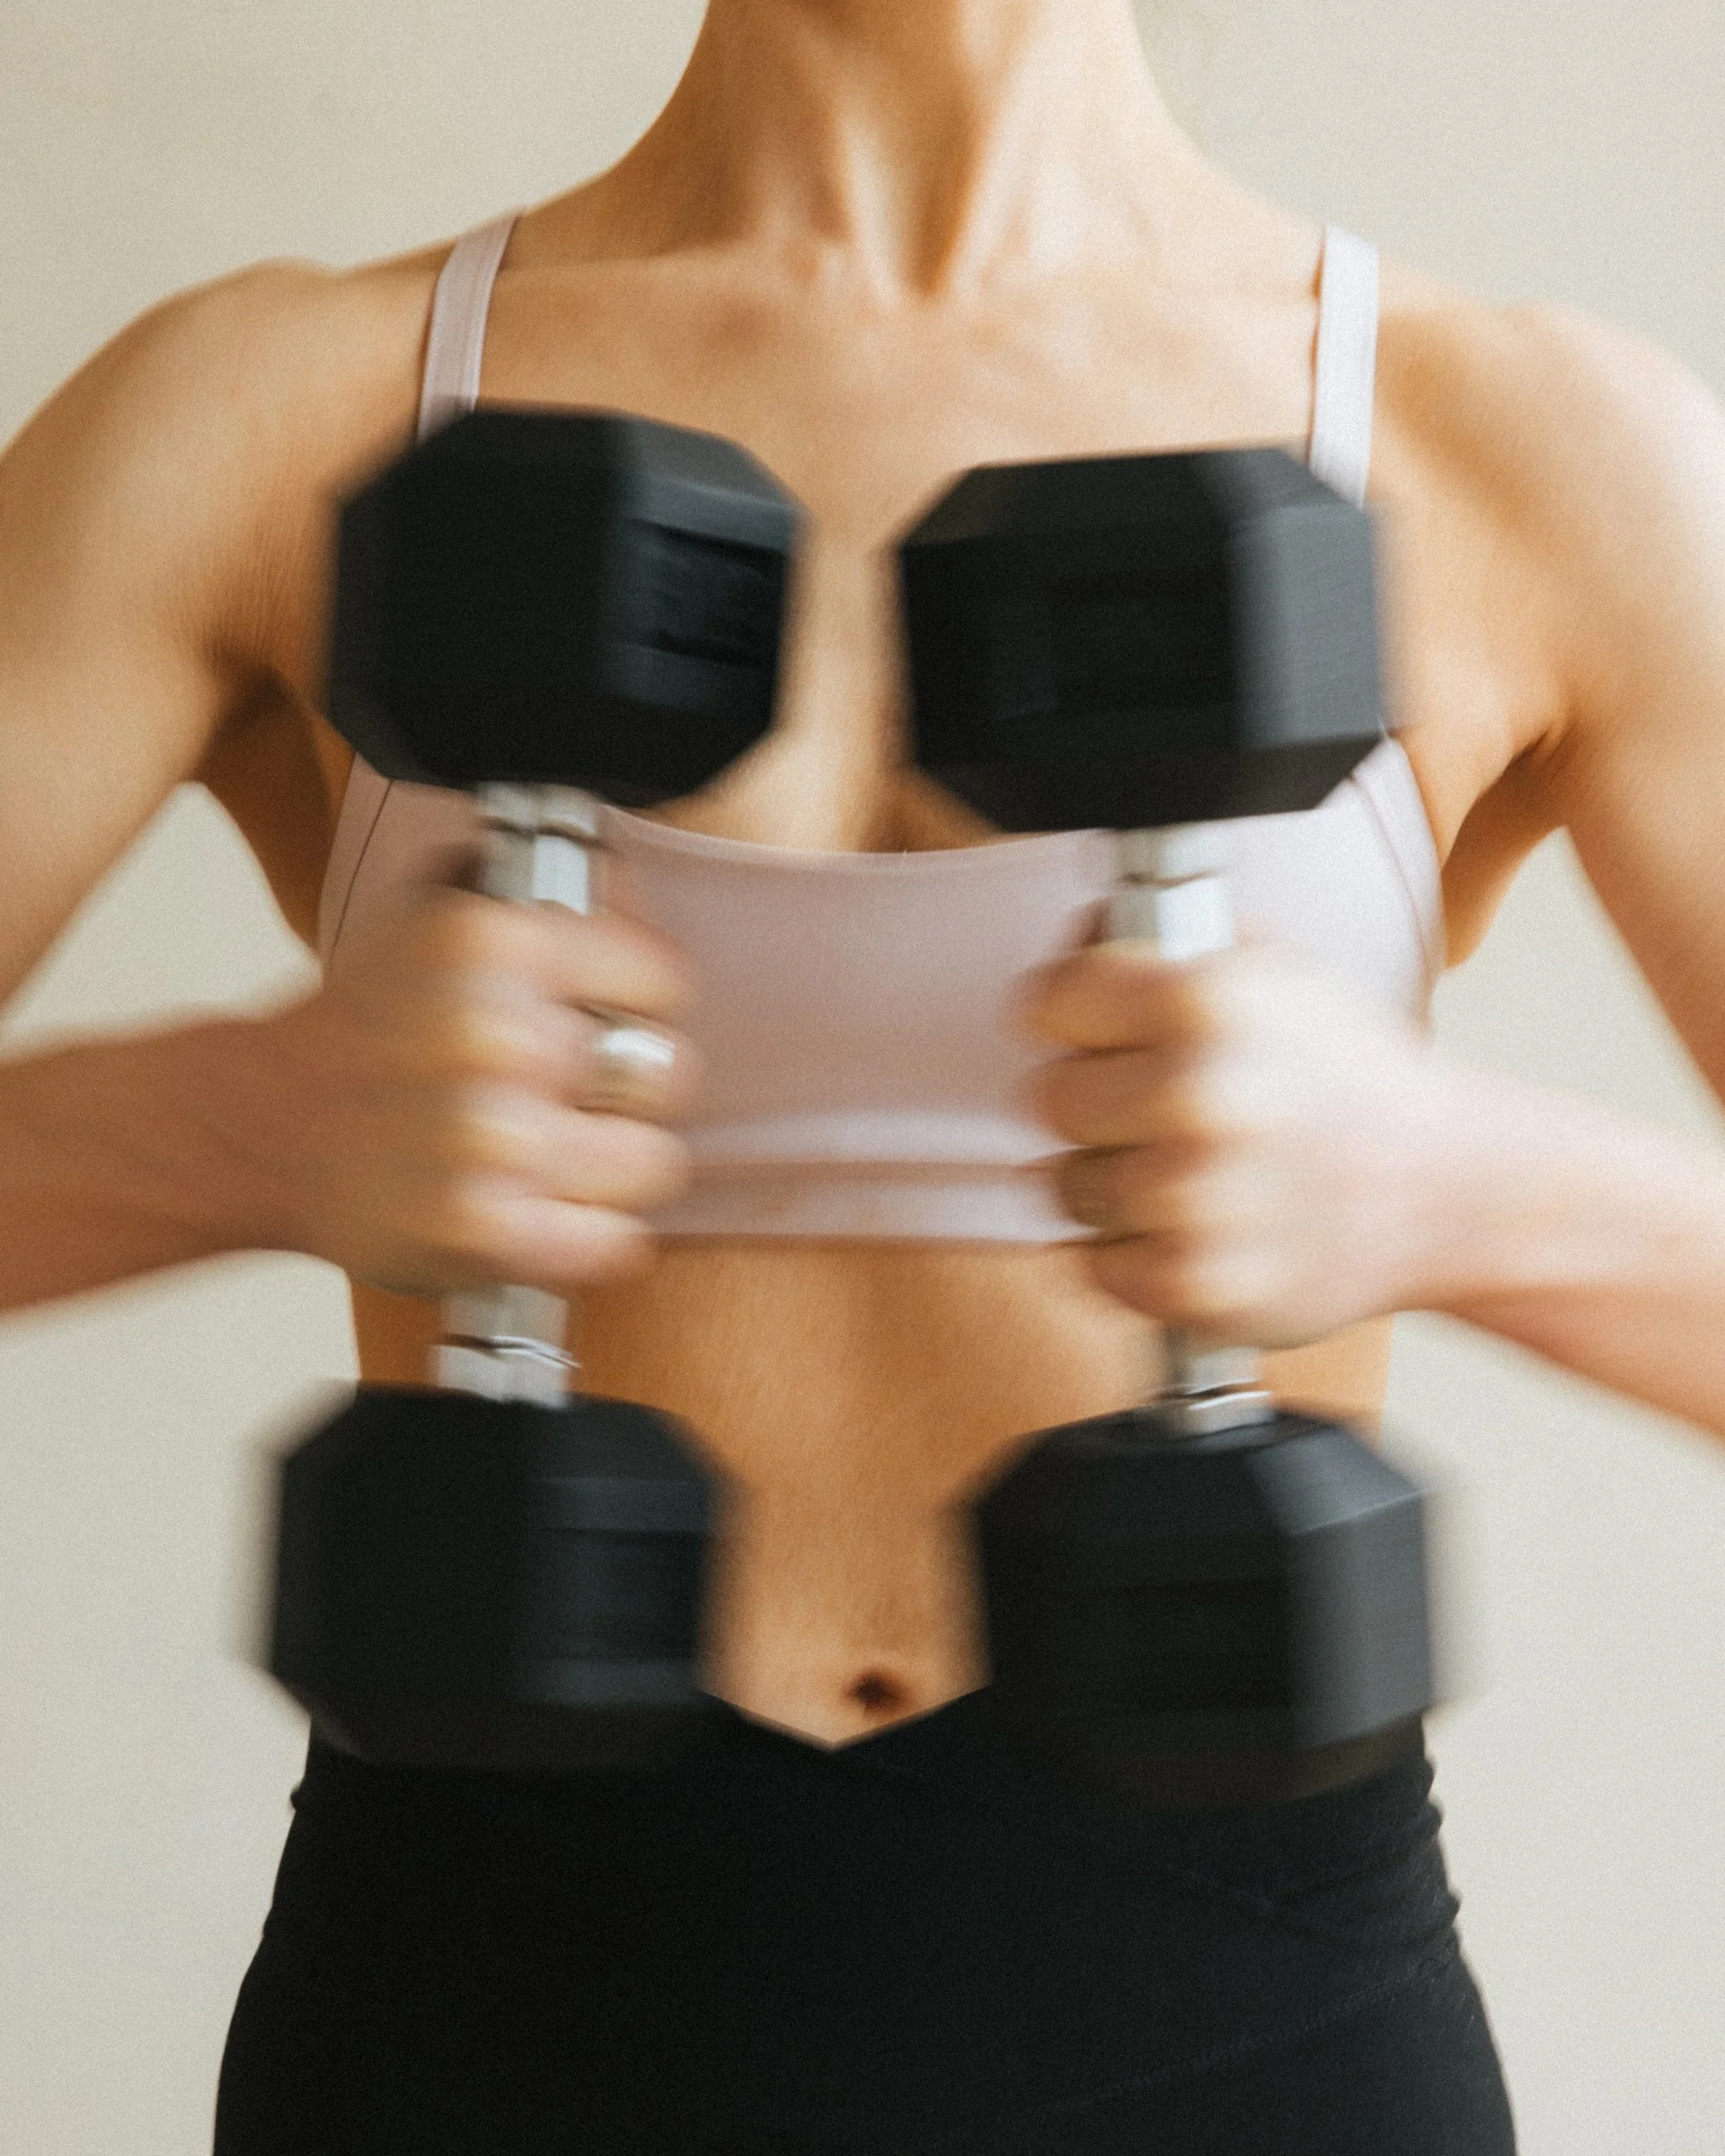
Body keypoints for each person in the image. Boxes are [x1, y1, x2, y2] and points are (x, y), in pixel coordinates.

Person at [4, 0, 1725, 2147]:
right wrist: (230, 1126)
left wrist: (1468, 1188)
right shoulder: (282, 407)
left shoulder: (1515, 442)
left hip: (1240, 2008)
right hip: (478, 1995)